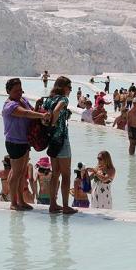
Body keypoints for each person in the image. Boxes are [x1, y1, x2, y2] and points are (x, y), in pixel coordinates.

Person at [3, 78, 50, 211]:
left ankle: (21, 201)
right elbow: (26, 113)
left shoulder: (22, 100)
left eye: (20, 90)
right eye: (16, 91)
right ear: (8, 91)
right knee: (16, 172)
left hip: (24, 141)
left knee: (21, 172)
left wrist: (38, 107)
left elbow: (30, 112)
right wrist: (42, 116)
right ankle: (13, 202)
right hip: (14, 142)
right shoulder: (9, 106)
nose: (19, 93)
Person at [44, 76, 77, 214]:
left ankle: (53, 204)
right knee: (66, 174)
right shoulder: (63, 99)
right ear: (63, 87)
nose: (70, 90)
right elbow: (57, 111)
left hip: (51, 140)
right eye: (69, 87)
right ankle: (65, 206)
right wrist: (54, 123)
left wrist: (50, 126)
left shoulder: (49, 99)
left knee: (55, 173)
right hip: (62, 140)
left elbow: (47, 114)